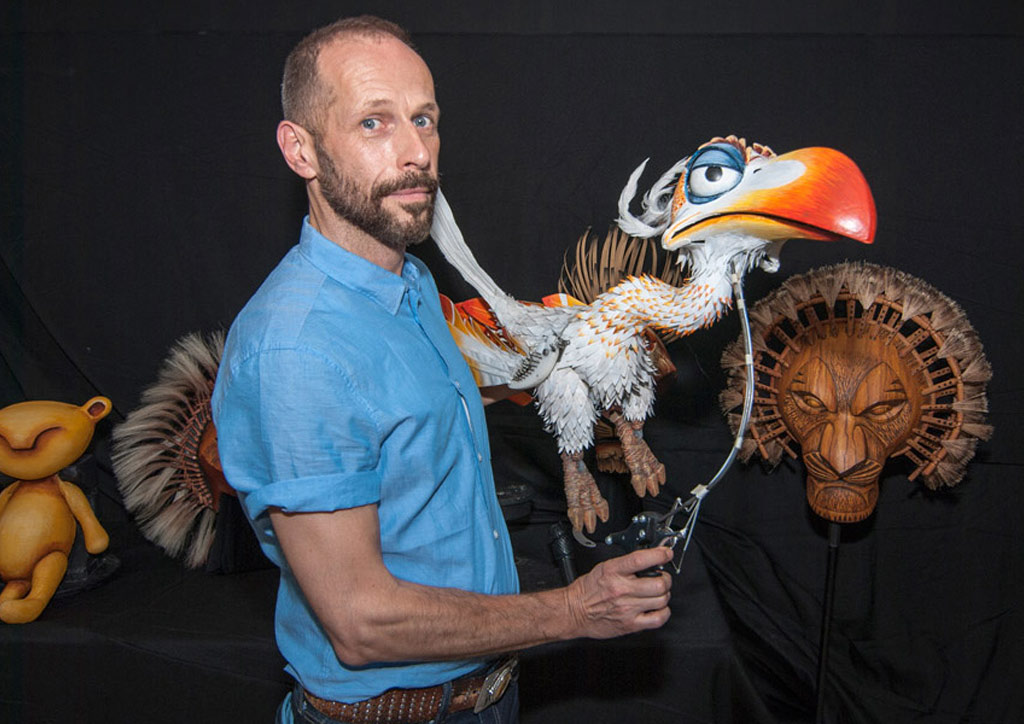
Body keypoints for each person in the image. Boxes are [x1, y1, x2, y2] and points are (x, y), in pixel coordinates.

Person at [211, 15, 673, 724]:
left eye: (424, 119)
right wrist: (574, 610)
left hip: (488, 694)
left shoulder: (415, 283)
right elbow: (362, 624)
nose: (415, 152)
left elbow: (412, 434)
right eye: (374, 123)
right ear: (300, 149)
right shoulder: (294, 351)